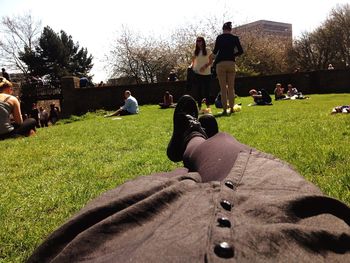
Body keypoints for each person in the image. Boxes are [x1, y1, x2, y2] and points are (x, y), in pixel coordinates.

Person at [27, 95, 350, 262]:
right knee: (227, 149)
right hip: (296, 220)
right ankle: (195, 139)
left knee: (186, 175)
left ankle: (192, 139)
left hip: (133, 231)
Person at [212, 21, 243, 115]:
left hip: (221, 63)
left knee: (223, 88)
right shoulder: (235, 38)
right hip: (231, 63)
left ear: (223, 29)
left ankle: (225, 109)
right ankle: (232, 108)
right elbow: (241, 51)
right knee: (231, 87)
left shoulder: (219, 37)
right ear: (230, 29)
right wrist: (233, 55)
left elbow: (215, 51)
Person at [191, 36, 213, 111]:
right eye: (197, 41)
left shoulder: (208, 50)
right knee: (198, 90)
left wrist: (205, 66)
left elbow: (210, 61)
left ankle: (208, 106)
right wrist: (192, 68)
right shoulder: (195, 51)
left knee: (207, 91)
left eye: (200, 41)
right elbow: (193, 62)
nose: (198, 42)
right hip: (197, 74)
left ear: (203, 42)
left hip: (207, 74)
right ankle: (199, 106)